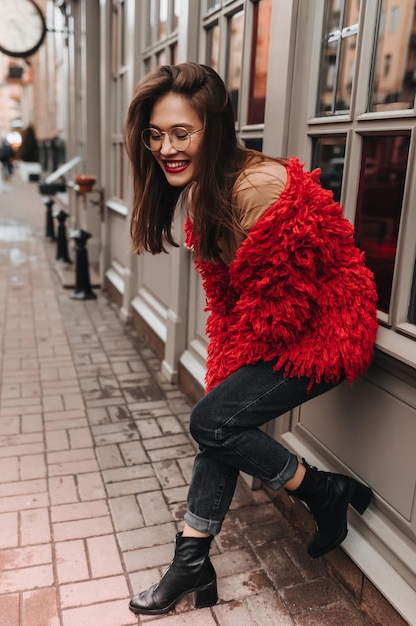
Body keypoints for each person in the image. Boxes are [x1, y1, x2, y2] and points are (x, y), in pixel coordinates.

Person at [124, 62, 378, 616]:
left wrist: (223, 398)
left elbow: (280, 311)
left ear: (214, 128)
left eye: (181, 133)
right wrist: (225, 383)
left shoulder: (257, 188)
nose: (166, 147)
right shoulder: (206, 191)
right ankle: (192, 559)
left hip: (326, 330)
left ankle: (321, 492)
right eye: (156, 134)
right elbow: (230, 304)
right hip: (281, 325)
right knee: (218, 422)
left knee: (213, 421)